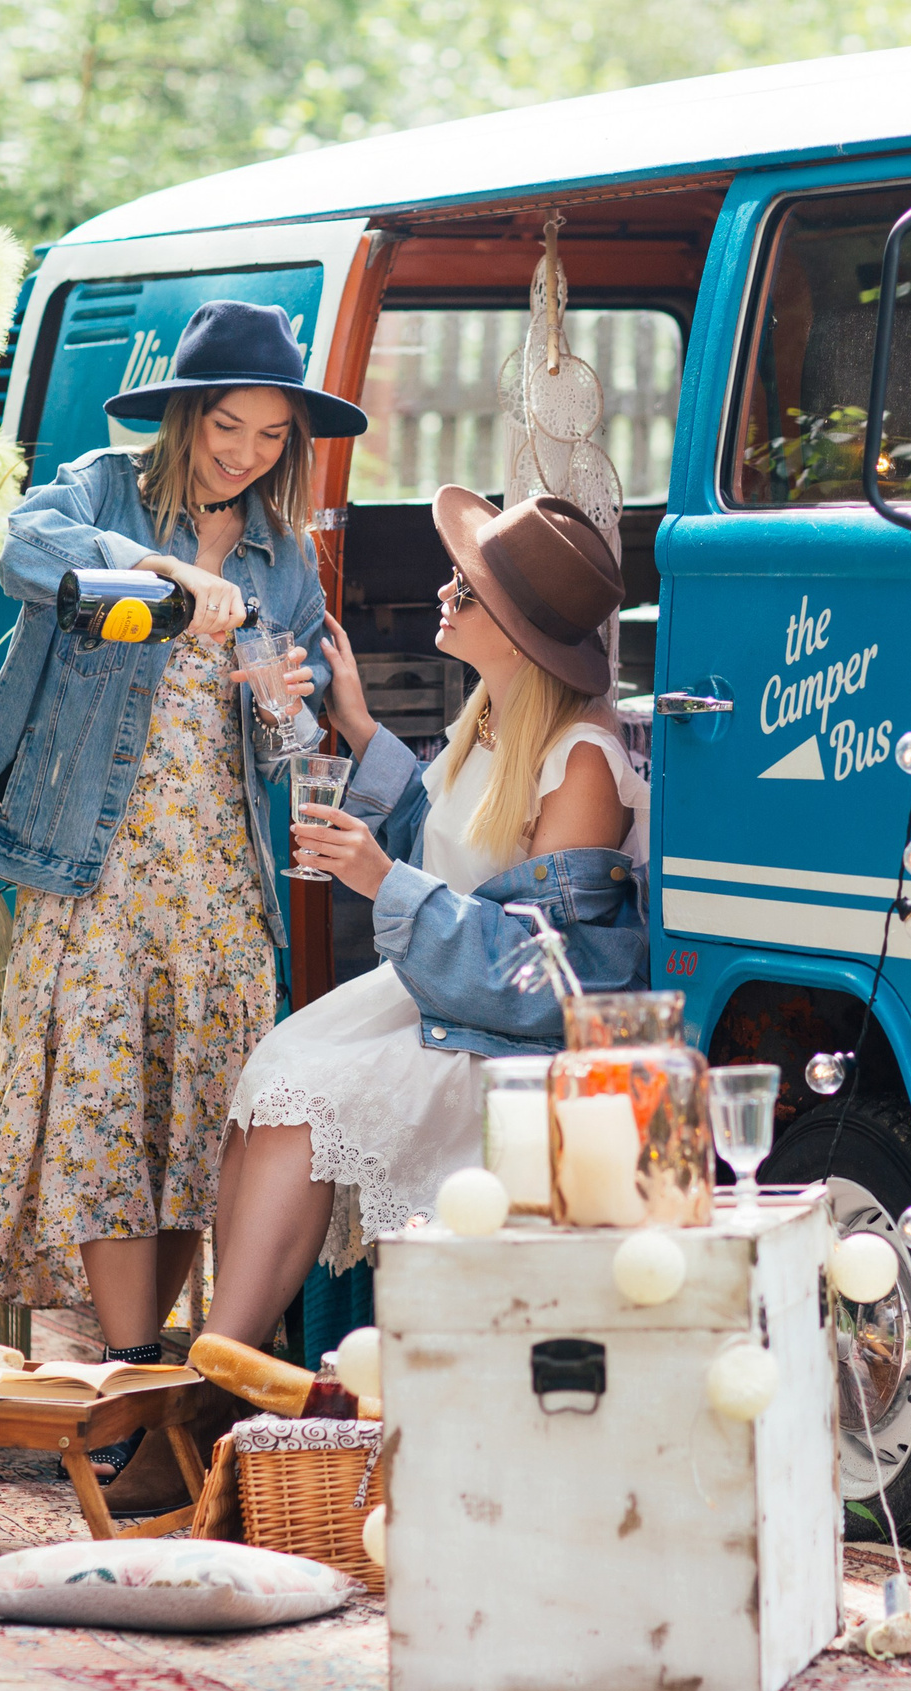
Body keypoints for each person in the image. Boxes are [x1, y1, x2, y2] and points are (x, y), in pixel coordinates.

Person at [0, 299, 368, 1488]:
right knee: (109, 1118)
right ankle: (128, 1397)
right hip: (98, 865)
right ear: (185, 414)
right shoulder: (99, 491)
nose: (245, 454)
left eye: (272, 437)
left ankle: (173, 1396)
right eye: (228, 426)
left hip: (221, 879)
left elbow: (288, 744)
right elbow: (23, 550)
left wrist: (283, 703)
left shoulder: (288, 555)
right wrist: (165, 566)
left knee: (193, 1131)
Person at [206, 487, 653, 1350]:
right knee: (269, 1078)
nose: (443, 595)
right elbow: (449, 847)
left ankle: (219, 1374)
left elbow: (552, 976)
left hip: (506, 1041)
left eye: (465, 591)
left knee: (303, 1103)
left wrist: (383, 882)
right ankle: (231, 1364)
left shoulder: (582, 761)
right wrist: (360, 726)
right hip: (437, 999)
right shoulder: (489, 717)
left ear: (520, 630)